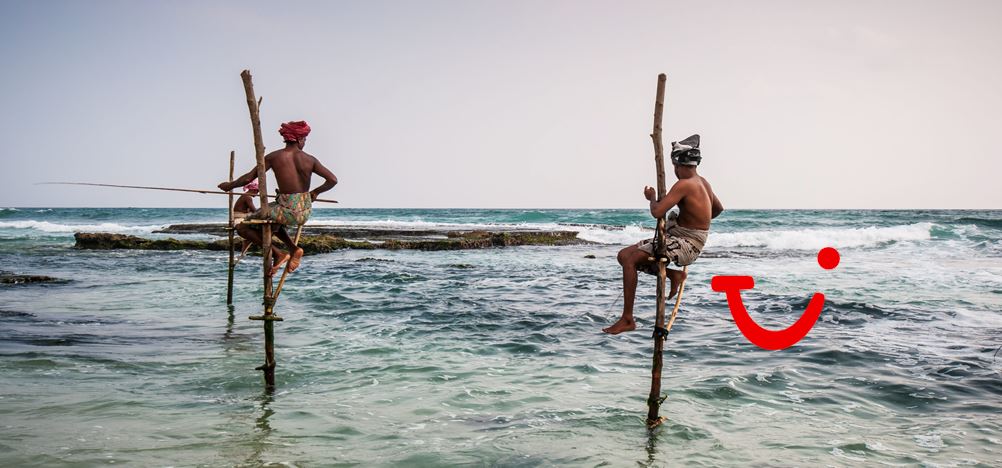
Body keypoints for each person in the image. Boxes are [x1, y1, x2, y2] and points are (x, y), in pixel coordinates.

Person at [603, 134, 723, 335]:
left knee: (631, 261)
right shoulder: (703, 182)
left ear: (677, 164)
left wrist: (651, 198)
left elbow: (657, 212)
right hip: (684, 237)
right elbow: (718, 209)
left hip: (687, 243)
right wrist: (690, 218)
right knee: (624, 256)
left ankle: (627, 319)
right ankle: (675, 274)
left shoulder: (684, 184)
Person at [218, 120, 338, 276]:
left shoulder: (274, 157)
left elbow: (248, 178)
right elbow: (332, 180)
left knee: (242, 227)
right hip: (304, 211)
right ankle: (294, 249)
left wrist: (230, 185)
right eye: (305, 140)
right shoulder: (310, 159)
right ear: (300, 139)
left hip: (286, 209)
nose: (305, 143)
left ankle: (278, 253)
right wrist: (315, 193)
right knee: (274, 221)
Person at [232, 179, 259, 258]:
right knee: (256, 230)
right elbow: (254, 211)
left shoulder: (245, 196)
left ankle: (246, 244)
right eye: (257, 191)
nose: (257, 194)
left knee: (254, 231)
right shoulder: (248, 197)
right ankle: (247, 242)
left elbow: (250, 210)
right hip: (239, 218)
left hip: (241, 216)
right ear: (254, 190)